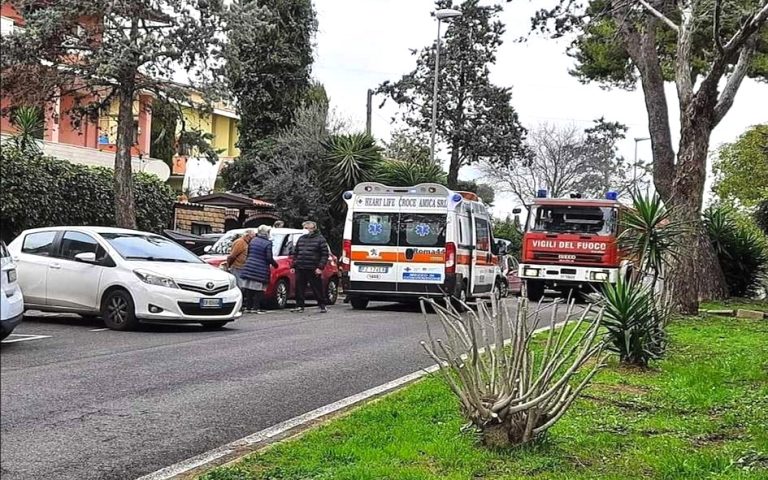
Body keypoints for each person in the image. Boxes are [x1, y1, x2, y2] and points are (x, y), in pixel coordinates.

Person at [290, 220, 329, 313]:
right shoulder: (301, 238)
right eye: (305, 228)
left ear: (313, 228)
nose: (305, 230)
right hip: (301, 266)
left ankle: (322, 305)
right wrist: (294, 264)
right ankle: (299, 305)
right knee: (299, 288)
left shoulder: (320, 239)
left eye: (307, 228)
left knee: (317, 288)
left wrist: (320, 267)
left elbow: (324, 254)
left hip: (313, 267)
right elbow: (296, 252)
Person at [240, 225, 278, 314]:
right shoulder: (268, 243)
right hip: (260, 268)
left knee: (249, 288)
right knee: (259, 289)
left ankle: (248, 307)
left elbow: (249, 253)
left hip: (249, 266)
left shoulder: (253, 240)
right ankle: (256, 308)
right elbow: (269, 257)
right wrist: (275, 264)